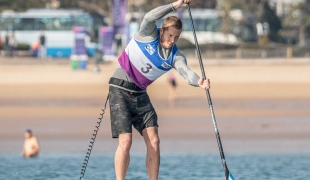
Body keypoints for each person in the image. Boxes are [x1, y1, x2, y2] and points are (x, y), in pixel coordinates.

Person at [108, 0, 210, 179]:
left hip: (140, 93)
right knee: (126, 141)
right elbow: (149, 17)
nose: (172, 40)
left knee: (154, 141)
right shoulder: (148, 34)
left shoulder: (175, 56)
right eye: (170, 35)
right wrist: (176, 5)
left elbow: (186, 73)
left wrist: (199, 81)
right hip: (119, 88)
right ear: (162, 31)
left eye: (176, 37)